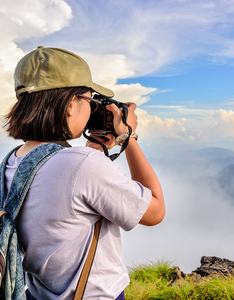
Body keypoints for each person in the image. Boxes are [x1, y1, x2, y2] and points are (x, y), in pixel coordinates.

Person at [3, 46, 165, 299]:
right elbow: (154, 211)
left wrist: (96, 147)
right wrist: (129, 137)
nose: (92, 109)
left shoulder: (11, 165)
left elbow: (69, 201)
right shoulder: (82, 165)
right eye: (90, 100)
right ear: (70, 105)